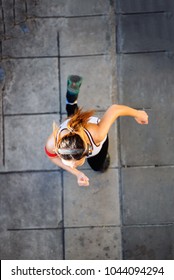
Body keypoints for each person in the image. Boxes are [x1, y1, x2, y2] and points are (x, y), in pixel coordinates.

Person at [45, 75, 148, 187]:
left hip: (90, 130)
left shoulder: (98, 135)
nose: (73, 166)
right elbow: (52, 157)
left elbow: (115, 109)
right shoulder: (52, 143)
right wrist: (77, 173)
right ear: (58, 149)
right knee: (72, 117)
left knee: (97, 165)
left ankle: (71, 101)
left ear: (87, 150)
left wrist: (138, 114)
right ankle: (71, 101)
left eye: (75, 163)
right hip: (74, 124)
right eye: (69, 162)